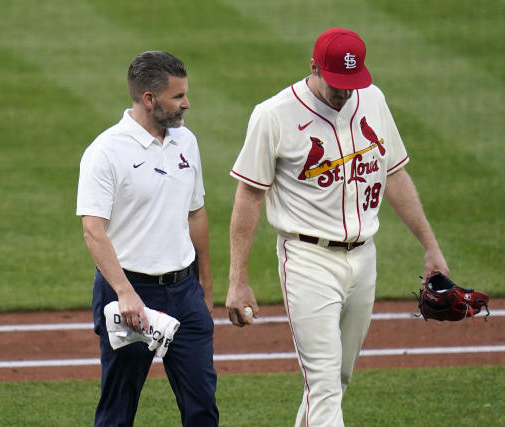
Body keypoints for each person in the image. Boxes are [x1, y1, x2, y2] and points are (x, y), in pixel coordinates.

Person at [226, 28, 449, 426]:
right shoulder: (273, 115)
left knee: (337, 379)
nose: (344, 92)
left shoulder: (373, 100)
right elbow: (249, 195)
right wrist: (238, 278)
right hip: (307, 260)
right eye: (335, 83)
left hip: (364, 258)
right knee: (324, 383)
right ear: (313, 68)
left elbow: (394, 175)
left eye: (351, 83)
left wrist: (430, 246)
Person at [76, 51, 218, 426]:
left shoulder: (186, 141)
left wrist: (205, 281)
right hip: (129, 292)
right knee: (118, 409)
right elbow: (93, 229)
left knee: (203, 405)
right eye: (178, 96)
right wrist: (125, 293)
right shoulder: (105, 152)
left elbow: (196, 212)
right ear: (149, 99)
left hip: (185, 293)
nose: (187, 103)